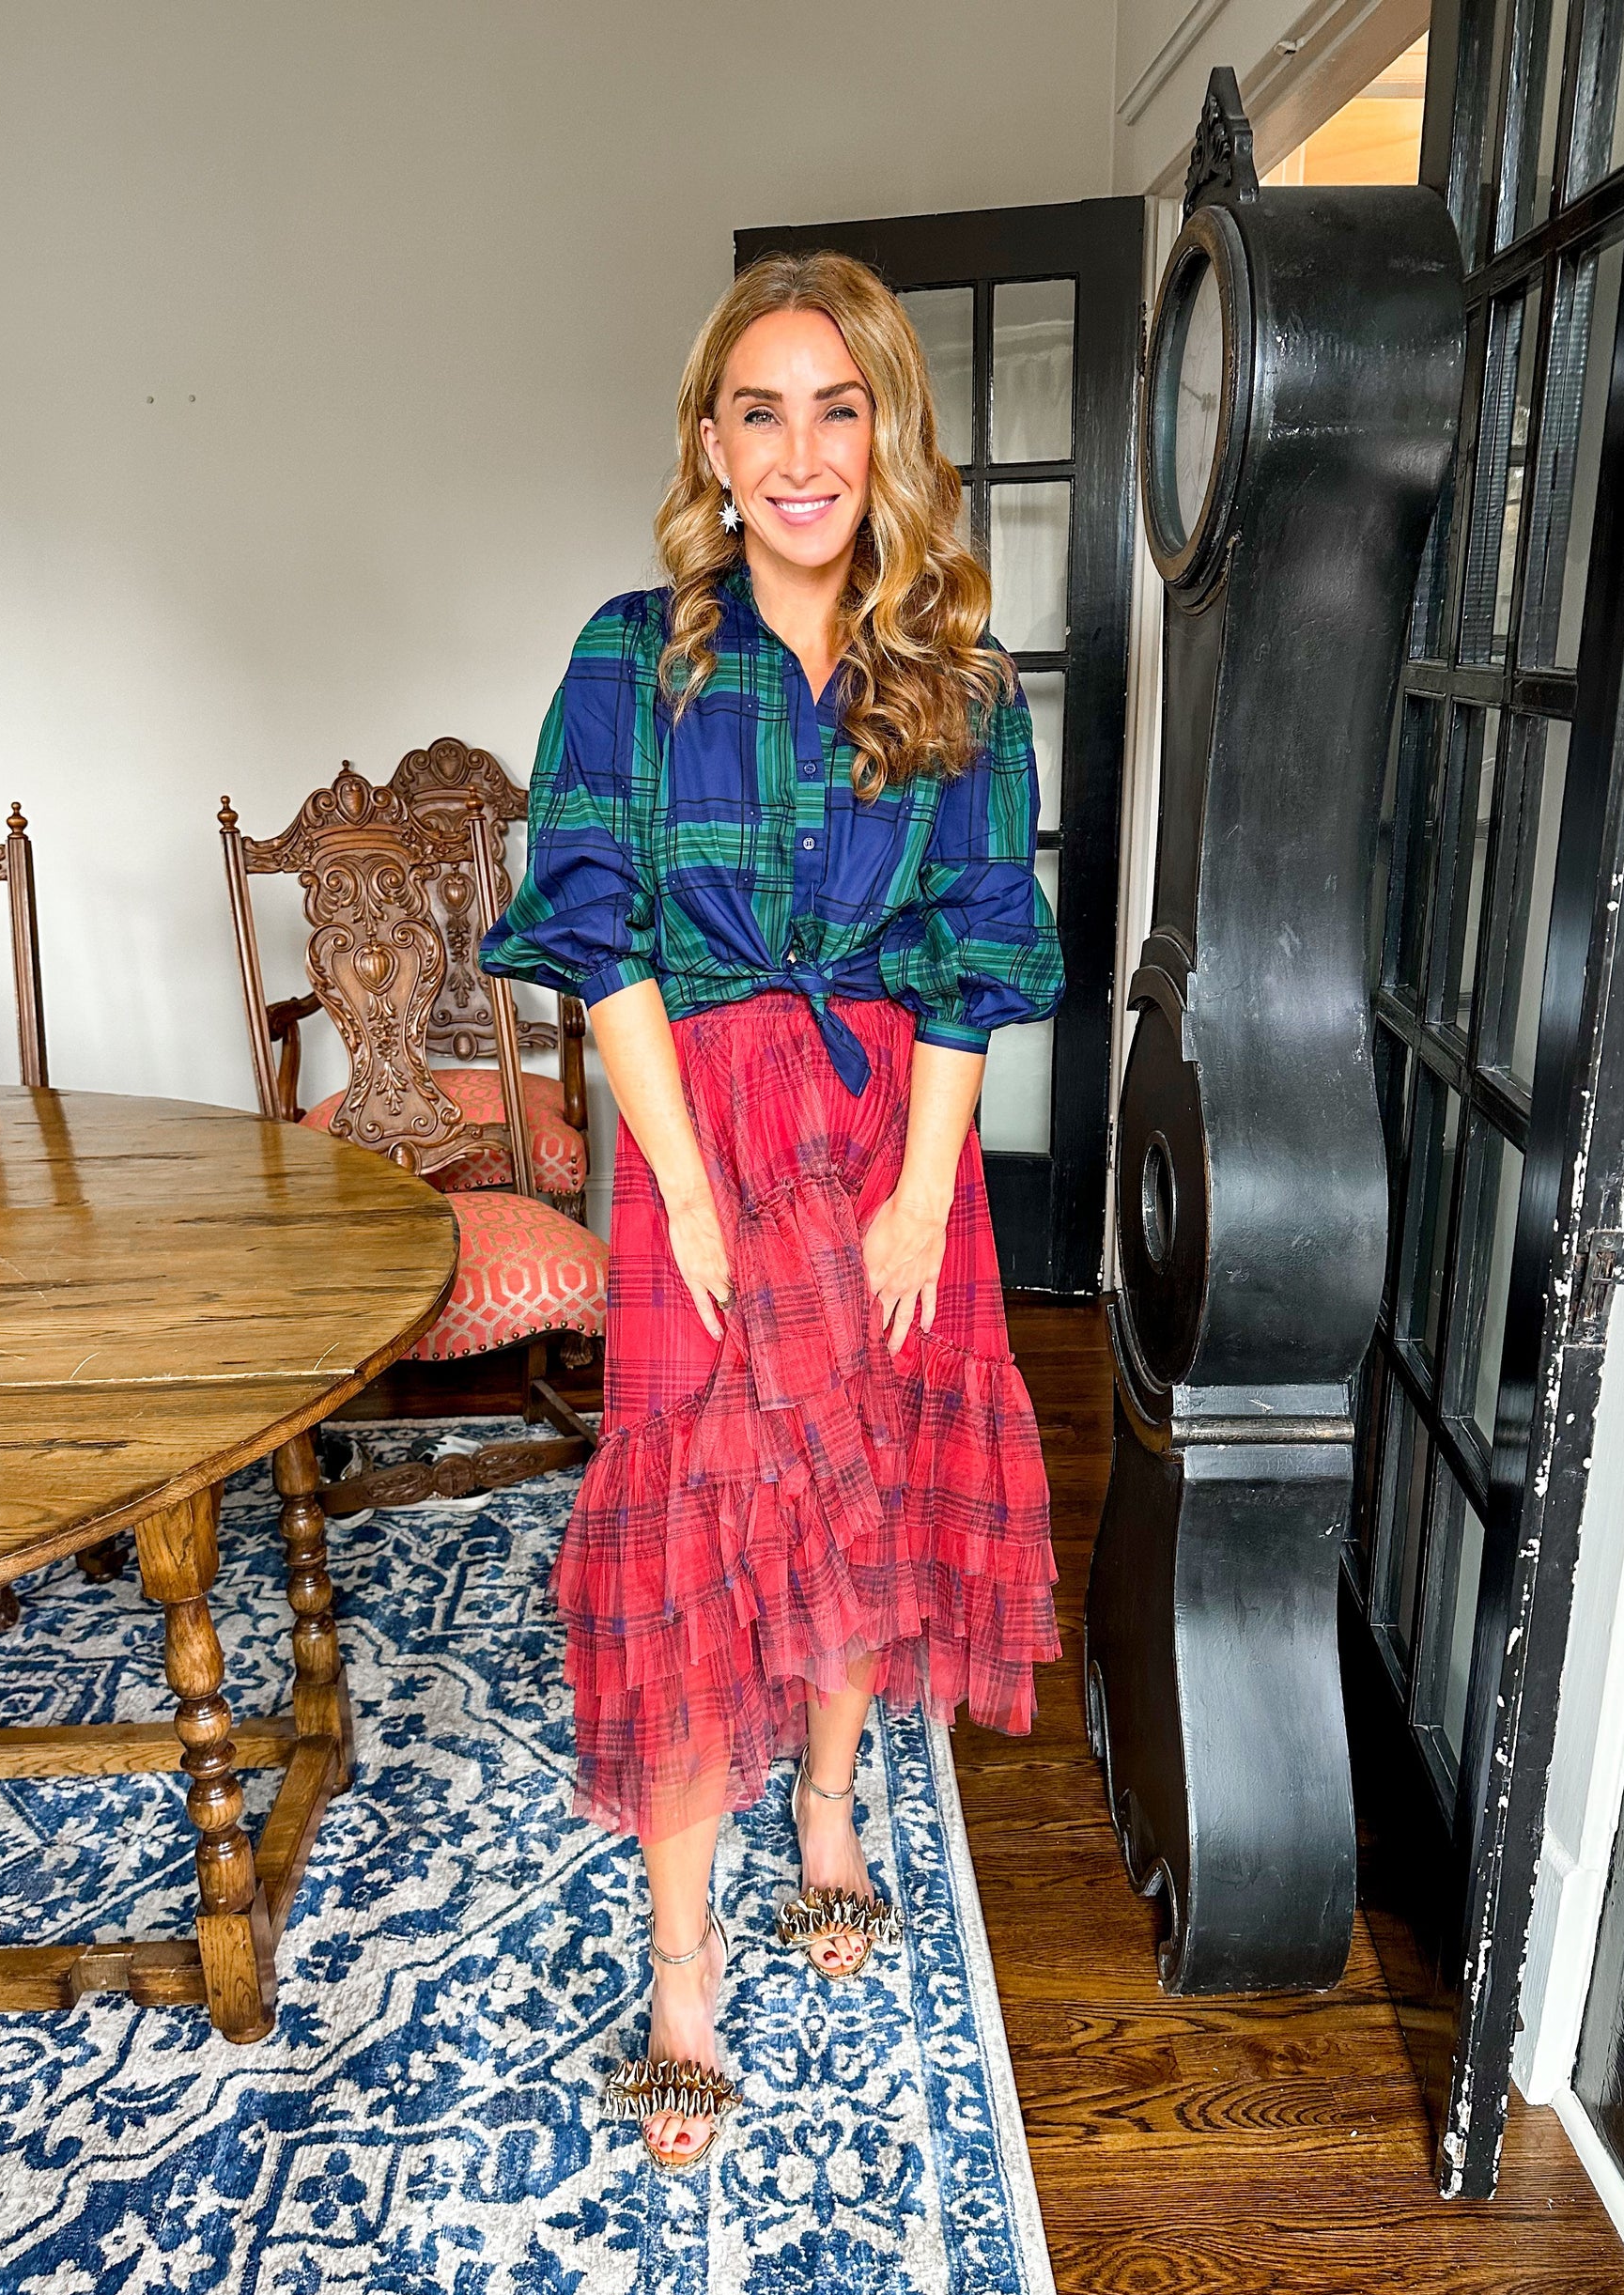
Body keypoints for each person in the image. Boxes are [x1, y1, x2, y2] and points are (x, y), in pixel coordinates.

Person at [481, 250, 1063, 2174]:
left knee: (856, 1488)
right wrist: (683, 1192)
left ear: (885, 433)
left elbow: (977, 950)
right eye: (762, 412)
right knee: (685, 1528)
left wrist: (921, 1198)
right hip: (699, 1127)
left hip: (893, 1134)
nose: (802, 453)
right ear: (712, 448)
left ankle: (826, 1807)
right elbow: (598, 933)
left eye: (839, 407)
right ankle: (681, 1964)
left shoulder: (961, 679)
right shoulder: (629, 659)